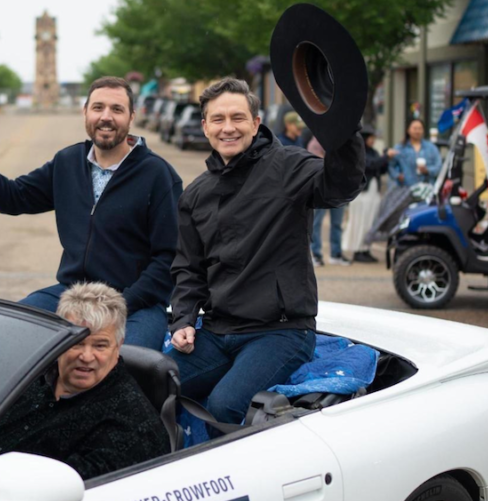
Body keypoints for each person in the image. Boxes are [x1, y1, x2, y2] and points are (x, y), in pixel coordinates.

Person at [169, 78, 365, 432]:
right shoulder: (196, 194)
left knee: (224, 404)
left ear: (256, 123)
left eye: (238, 118)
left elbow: (341, 185)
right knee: (153, 382)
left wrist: (344, 130)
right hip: (216, 331)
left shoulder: (290, 166)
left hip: (280, 333)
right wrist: (183, 320)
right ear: (205, 126)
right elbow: (189, 269)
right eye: (218, 119)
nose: (228, 128)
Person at [0, 77, 182, 350]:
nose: (106, 117)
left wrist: (124, 303)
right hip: (74, 294)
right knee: (12, 337)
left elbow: (169, 258)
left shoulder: (158, 174)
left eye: (117, 109)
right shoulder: (67, 162)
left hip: (137, 303)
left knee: (130, 365)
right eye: (98, 108)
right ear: (85, 112)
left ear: (131, 117)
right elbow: (13, 198)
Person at [0, 282, 170, 479]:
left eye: (100, 346)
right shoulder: (26, 374)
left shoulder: (131, 425)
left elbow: (73, 491)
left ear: (118, 347)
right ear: (60, 340)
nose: (86, 356)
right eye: (77, 343)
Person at [342, 126, 399, 263]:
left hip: (373, 191)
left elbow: (381, 168)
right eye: (371, 138)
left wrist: (386, 158)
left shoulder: (373, 152)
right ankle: (358, 250)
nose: (373, 141)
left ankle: (365, 248)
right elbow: (371, 165)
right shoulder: (358, 152)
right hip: (362, 194)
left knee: (369, 221)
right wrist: (385, 156)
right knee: (360, 221)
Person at [308, 136, 351, 266]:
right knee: (317, 223)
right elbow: (317, 166)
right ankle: (315, 254)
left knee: (337, 223)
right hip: (322, 189)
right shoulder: (315, 144)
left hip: (338, 188)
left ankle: (336, 253)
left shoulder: (339, 141)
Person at [388, 118, 442, 188]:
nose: (417, 131)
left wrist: (427, 170)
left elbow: (439, 166)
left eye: (420, 128)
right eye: (414, 128)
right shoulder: (400, 148)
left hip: (427, 189)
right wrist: (397, 175)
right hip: (406, 188)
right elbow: (390, 165)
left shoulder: (431, 148)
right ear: (408, 130)